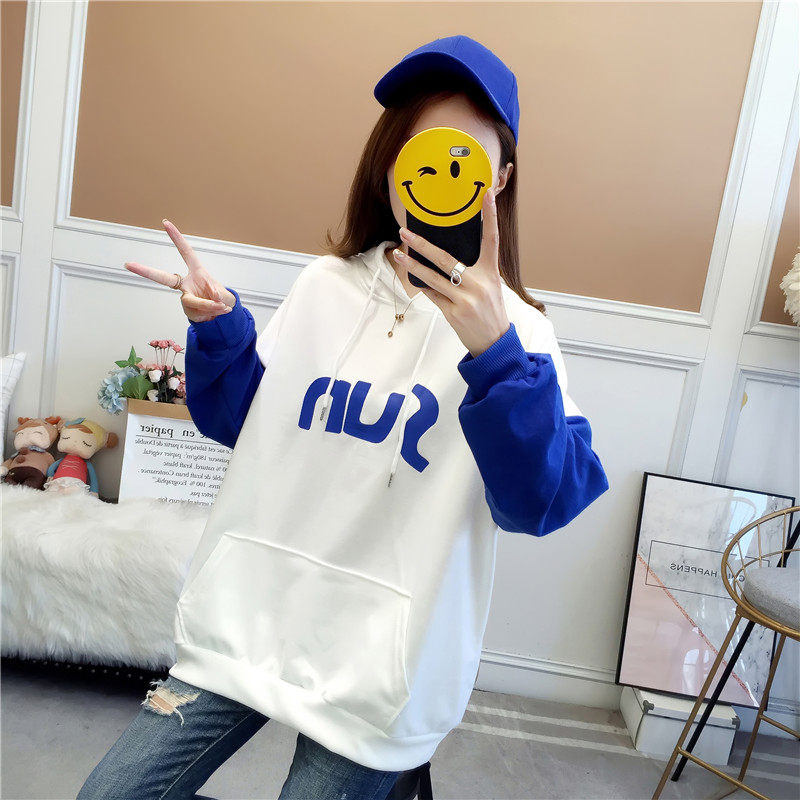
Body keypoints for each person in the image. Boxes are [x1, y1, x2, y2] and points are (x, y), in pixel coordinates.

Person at [77, 35, 609, 800]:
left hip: (380, 672)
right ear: (389, 169)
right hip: (250, 621)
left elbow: (538, 504)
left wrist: (494, 354)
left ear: (500, 178)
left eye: (463, 155)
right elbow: (244, 424)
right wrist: (221, 332)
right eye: (419, 151)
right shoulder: (325, 286)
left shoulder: (521, 336)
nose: (439, 172)